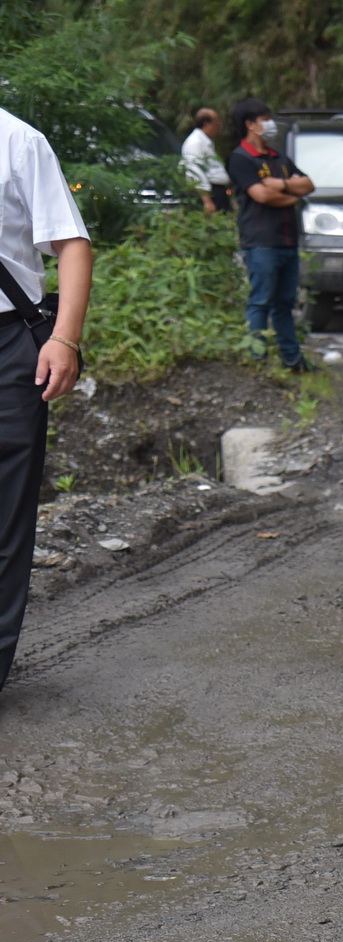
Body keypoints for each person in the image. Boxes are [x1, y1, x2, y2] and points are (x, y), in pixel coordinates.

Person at [0, 109, 90, 693]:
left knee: (5, 513)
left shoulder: (16, 140)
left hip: (7, 343)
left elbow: (72, 246)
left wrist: (64, 338)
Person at [225, 99, 313, 371]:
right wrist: (292, 196)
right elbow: (261, 195)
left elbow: (308, 184)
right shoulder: (240, 157)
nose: (269, 124)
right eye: (264, 119)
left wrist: (282, 185)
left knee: (285, 304)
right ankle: (256, 359)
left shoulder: (279, 159)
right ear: (250, 125)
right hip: (260, 241)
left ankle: (292, 359)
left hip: (287, 240)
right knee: (260, 300)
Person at [181, 109, 228, 213]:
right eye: (217, 123)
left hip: (218, 191)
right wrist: (207, 201)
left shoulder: (206, 142)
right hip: (210, 193)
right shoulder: (195, 142)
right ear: (207, 124)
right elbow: (195, 172)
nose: (219, 127)